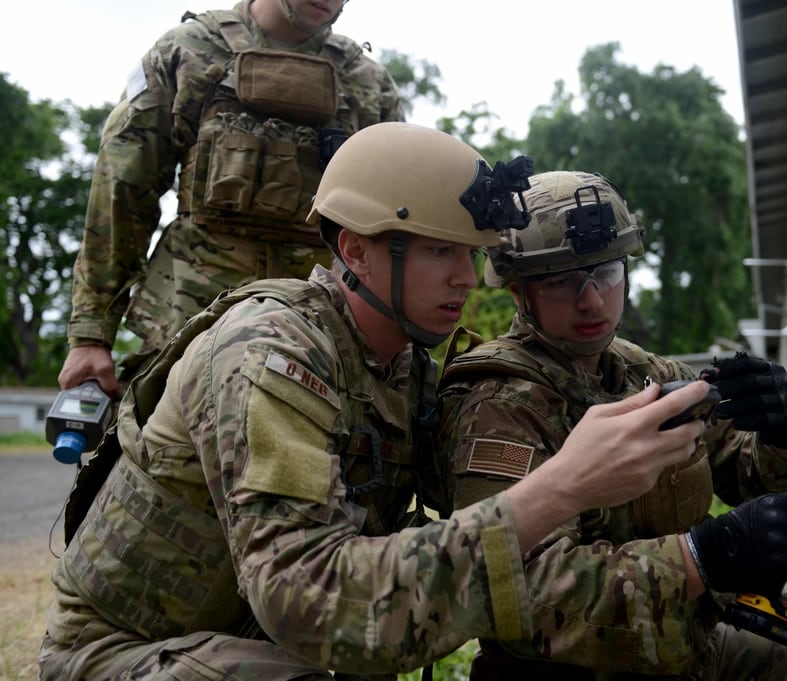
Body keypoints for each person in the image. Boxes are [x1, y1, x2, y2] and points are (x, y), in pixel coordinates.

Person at [37, 123, 716, 681]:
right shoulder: (269, 351)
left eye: (473, 253)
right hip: (119, 652)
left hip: (245, 647)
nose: (465, 277)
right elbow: (312, 598)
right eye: (438, 252)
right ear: (356, 251)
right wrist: (562, 487)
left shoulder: (404, 367)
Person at [436, 170, 787, 680]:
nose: (591, 300)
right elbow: (518, 591)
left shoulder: (645, 373)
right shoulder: (497, 400)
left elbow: (743, 472)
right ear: (518, 292)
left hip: (681, 643)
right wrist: (705, 555)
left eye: (605, 272)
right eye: (561, 281)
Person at [58, 0, 405, 399]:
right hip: (188, 332)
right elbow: (121, 194)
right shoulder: (188, 51)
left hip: (323, 343)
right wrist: (91, 334)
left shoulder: (368, 83)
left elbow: (396, 223)